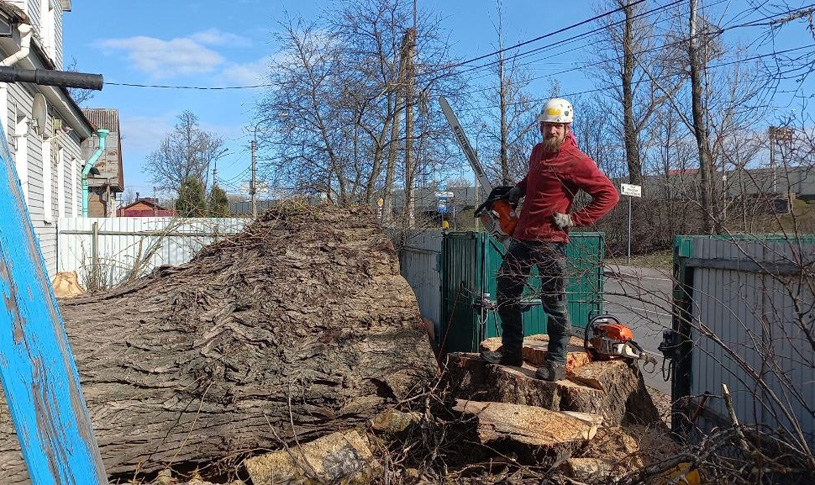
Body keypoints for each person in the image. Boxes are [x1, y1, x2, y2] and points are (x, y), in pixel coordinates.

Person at [481, 98, 620, 381]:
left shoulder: (577, 161)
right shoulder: (537, 152)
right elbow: (534, 179)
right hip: (522, 235)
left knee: (553, 302)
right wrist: (518, 190)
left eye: (557, 126)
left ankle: (556, 362)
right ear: (541, 126)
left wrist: (574, 219)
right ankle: (511, 351)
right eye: (548, 125)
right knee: (506, 292)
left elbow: (609, 195)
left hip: (551, 241)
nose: (552, 130)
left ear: (567, 128)